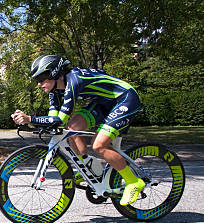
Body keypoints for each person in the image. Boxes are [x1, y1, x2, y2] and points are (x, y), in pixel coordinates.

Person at [11, 55, 144, 206]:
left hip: (125, 99)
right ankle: (88, 167)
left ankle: (133, 181)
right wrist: (30, 122)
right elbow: (53, 118)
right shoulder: (54, 90)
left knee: (99, 145)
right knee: (72, 128)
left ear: (55, 73)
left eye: (42, 78)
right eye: (37, 80)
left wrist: (30, 119)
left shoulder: (74, 81)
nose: (39, 84)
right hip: (103, 102)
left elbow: (59, 119)